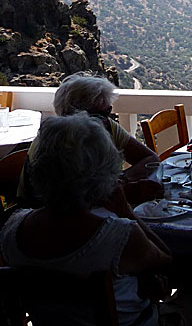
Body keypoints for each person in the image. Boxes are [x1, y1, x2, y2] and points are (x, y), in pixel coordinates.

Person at [0, 114, 172, 326]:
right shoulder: (119, 235)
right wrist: (126, 211)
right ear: (104, 172)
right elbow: (166, 262)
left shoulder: (12, 231)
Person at [18, 71, 161, 205]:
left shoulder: (106, 125)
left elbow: (150, 159)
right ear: (73, 115)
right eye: (97, 115)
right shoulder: (57, 145)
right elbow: (68, 204)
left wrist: (122, 180)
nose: (105, 119)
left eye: (108, 111)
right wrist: (123, 192)